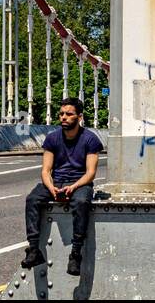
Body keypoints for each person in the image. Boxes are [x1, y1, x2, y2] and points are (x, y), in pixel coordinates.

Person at [21, 97, 103, 277]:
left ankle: (75, 254)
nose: (64, 117)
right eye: (61, 114)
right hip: (56, 182)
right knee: (32, 199)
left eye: (69, 114)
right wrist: (52, 189)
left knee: (81, 202)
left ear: (79, 117)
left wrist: (73, 187)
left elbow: (90, 173)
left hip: (79, 182)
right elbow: (46, 171)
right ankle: (34, 250)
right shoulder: (52, 138)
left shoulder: (90, 139)